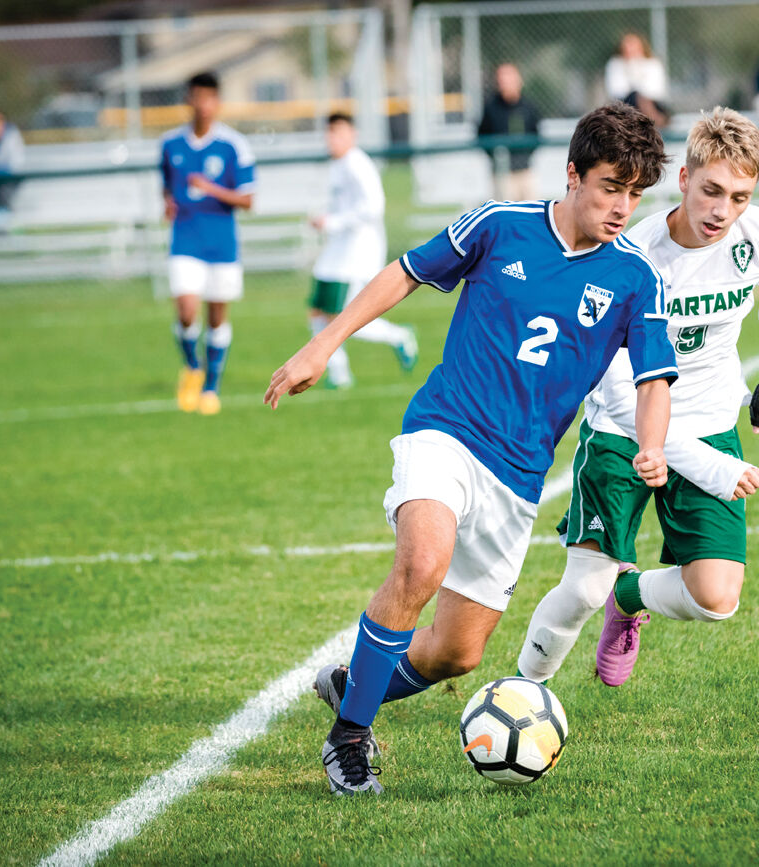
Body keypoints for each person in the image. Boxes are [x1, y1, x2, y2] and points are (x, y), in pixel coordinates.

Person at [263, 103, 675, 795]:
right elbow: (405, 271)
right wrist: (321, 344)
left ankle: (352, 685)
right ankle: (349, 738)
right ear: (572, 174)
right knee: (422, 561)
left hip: (518, 477)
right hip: (446, 431)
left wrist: (653, 445)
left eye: (636, 193)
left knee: (458, 651)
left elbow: (655, 376)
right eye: (610, 186)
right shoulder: (499, 225)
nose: (622, 207)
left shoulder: (635, 276)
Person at [517, 107, 759, 688]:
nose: (723, 211)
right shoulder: (632, 257)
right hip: (625, 429)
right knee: (582, 588)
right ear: (685, 180)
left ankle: (632, 592)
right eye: (712, 191)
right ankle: (522, 695)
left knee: (717, 598)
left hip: (710, 420)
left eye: (740, 197)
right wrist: (702, 463)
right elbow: (618, 388)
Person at [159, 71, 255, 416]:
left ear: (217, 103)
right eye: (196, 97)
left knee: (216, 318)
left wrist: (210, 188)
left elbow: (248, 201)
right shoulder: (170, 144)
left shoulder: (233, 145)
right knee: (186, 311)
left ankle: (212, 386)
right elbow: (167, 187)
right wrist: (167, 204)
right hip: (185, 240)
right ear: (189, 100)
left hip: (221, 245)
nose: (203, 105)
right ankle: (193, 368)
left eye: (209, 98)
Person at [309, 113, 418, 389]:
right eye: (330, 132)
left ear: (352, 135)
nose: (333, 139)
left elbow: (373, 207)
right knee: (318, 312)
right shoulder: (338, 165)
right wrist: (326, 219)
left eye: (339, 133)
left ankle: (399, 336)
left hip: (355, 254)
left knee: (345, 316)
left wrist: (333, 222)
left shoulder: (358, 163)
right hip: (335, 252)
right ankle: (338, 373)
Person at [477, 63, 542, 202]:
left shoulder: (528, 106)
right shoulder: (491, 108)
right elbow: (482, 135)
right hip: (502, 172)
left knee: (531, 211)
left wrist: (524, 156)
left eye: (509, 79)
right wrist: (496, 157)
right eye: (502, 80)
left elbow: (536, 135)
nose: (505, 84)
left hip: (525, 169)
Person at [604, 32, 670, 127]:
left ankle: (652, 118)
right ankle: (654, 120)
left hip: (652, 102)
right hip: (627, 102)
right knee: (637, 97)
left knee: (643, 99)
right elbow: (617, 91)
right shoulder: (615, 64)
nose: (630, 51)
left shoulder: (652, 64)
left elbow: (657, 90)